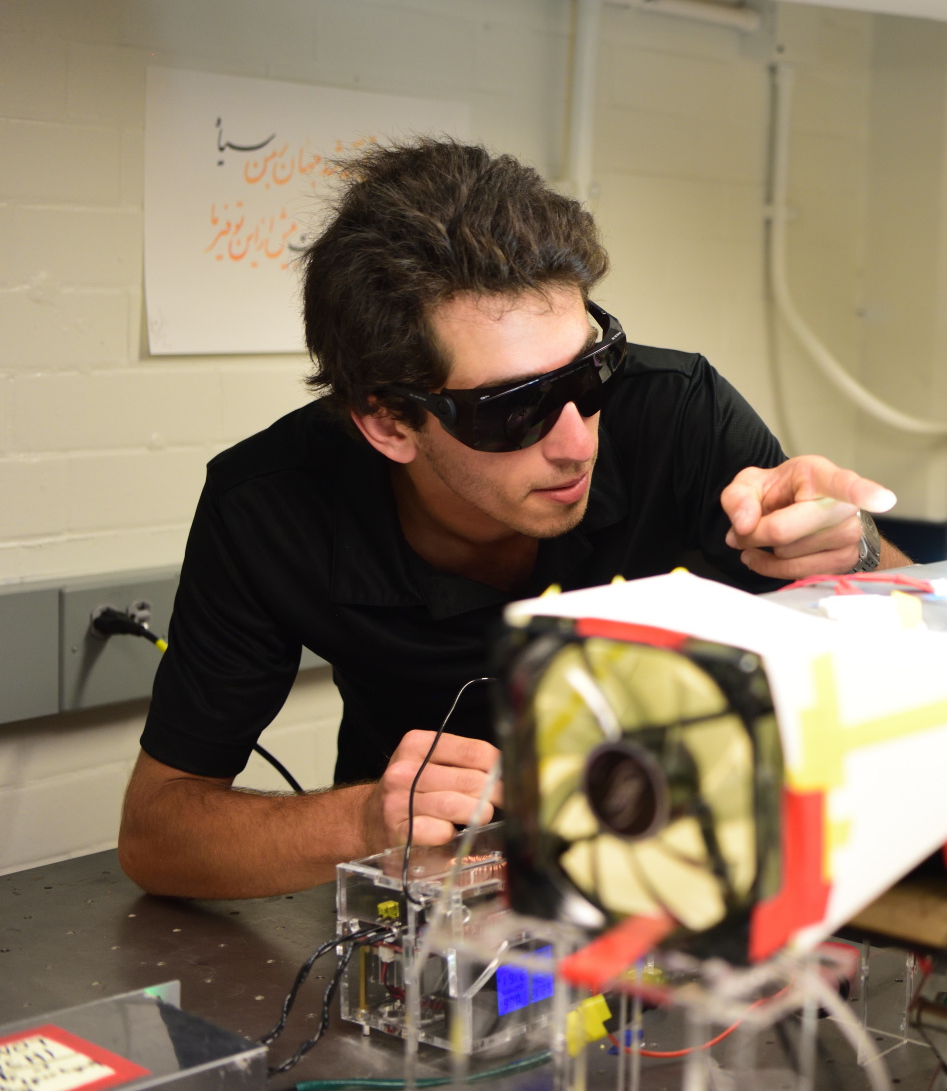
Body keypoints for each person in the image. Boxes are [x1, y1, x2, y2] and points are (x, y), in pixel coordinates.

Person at [120, 140, 906, 900]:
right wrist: (363, 818)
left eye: (592, 372)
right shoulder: (271, 505)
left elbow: (916, 651)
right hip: (435, 911)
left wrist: (855, 552)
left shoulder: (679, 417)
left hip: (691, 878)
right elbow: (157, 833)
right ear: (390, 423)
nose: (576, 444)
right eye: (515, 410)